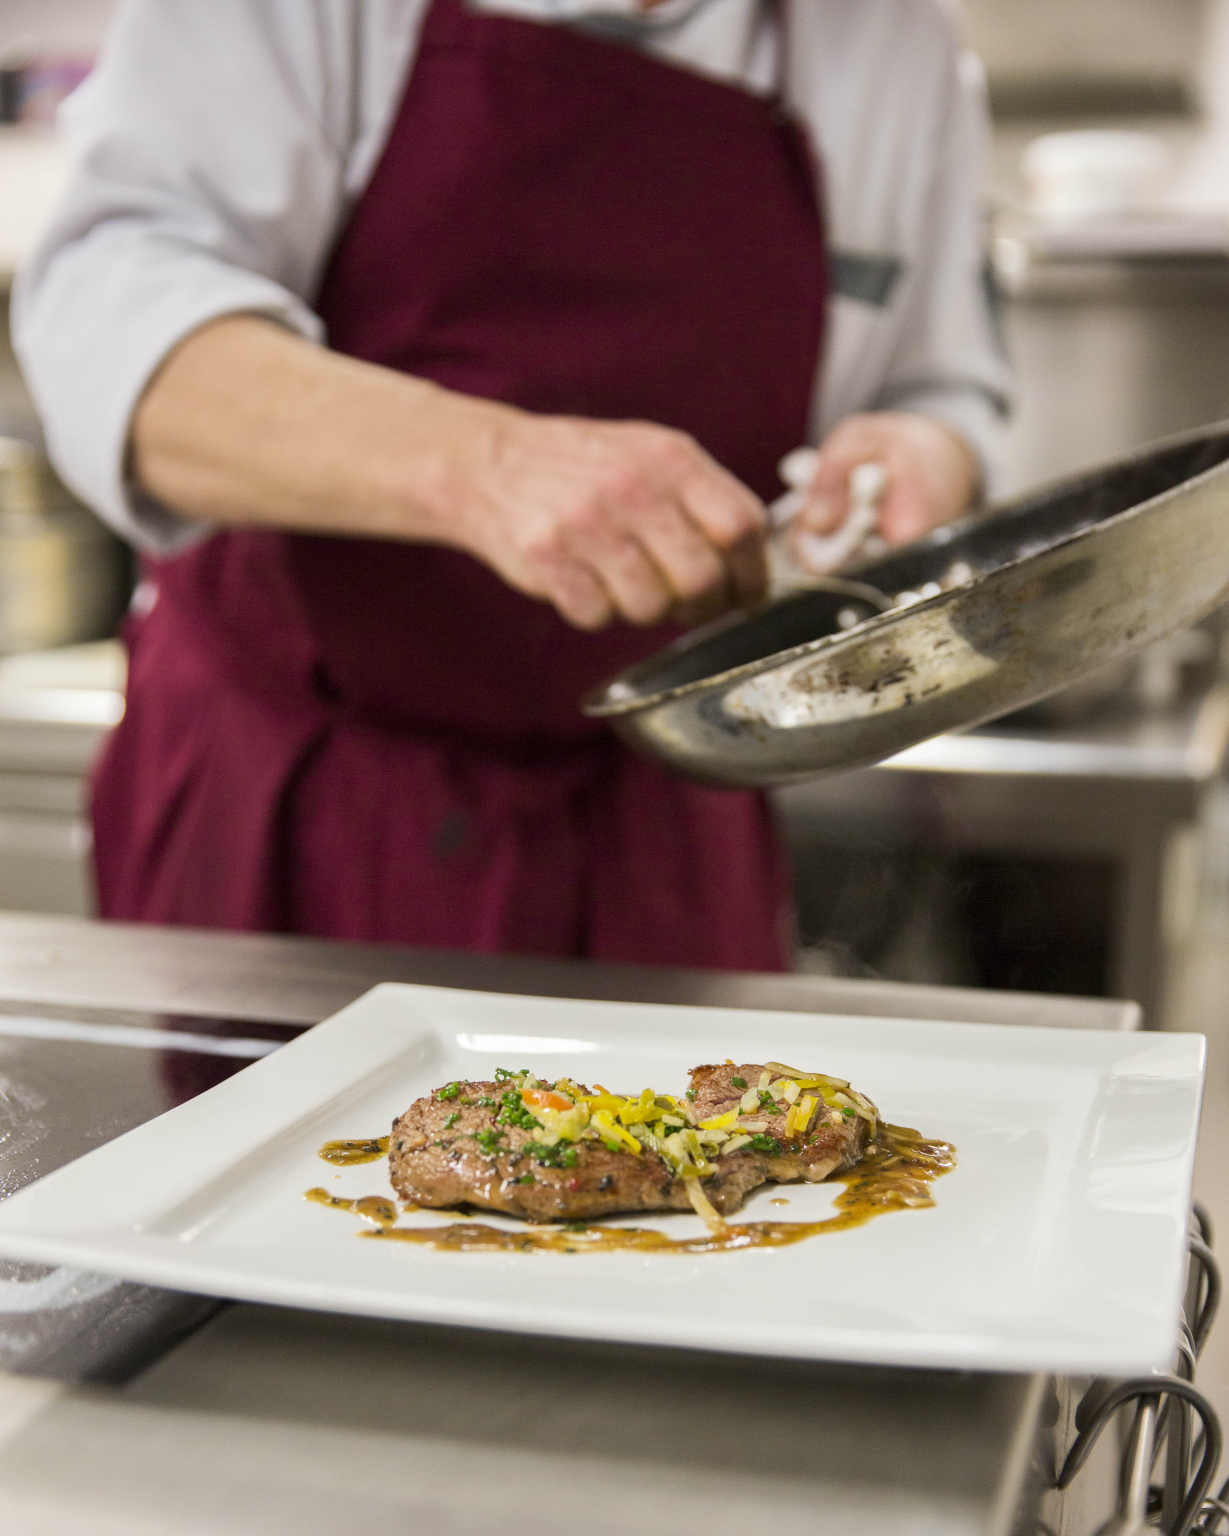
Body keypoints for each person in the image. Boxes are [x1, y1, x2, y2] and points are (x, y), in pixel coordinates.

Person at [14, 0, 1011, 970]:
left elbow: (943, 384)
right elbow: (116, 337)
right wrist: (481, 465)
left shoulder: (897, 36)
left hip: (661, 819)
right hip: (303, 800)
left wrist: (921, 453)